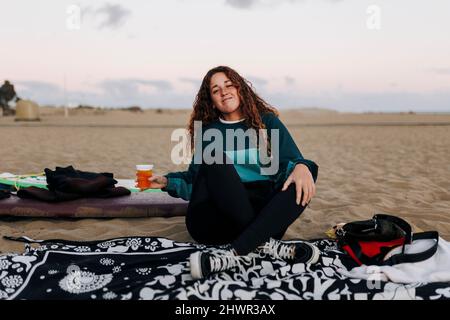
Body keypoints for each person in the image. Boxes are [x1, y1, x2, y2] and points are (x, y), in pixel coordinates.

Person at [149, 66, 320, 279]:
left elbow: (291, 161)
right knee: (215, 159)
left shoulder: (266, 122)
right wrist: (166, 181)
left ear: (240, 89)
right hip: (213, 221)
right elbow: (195, 179)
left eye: (229, 85)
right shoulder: (209, 132)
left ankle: (237, 252)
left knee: (304, 173)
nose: (224, 92)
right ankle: (261, 244)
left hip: (263, 216)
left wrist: (303, 167)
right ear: (211, 100)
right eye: (215, 90)